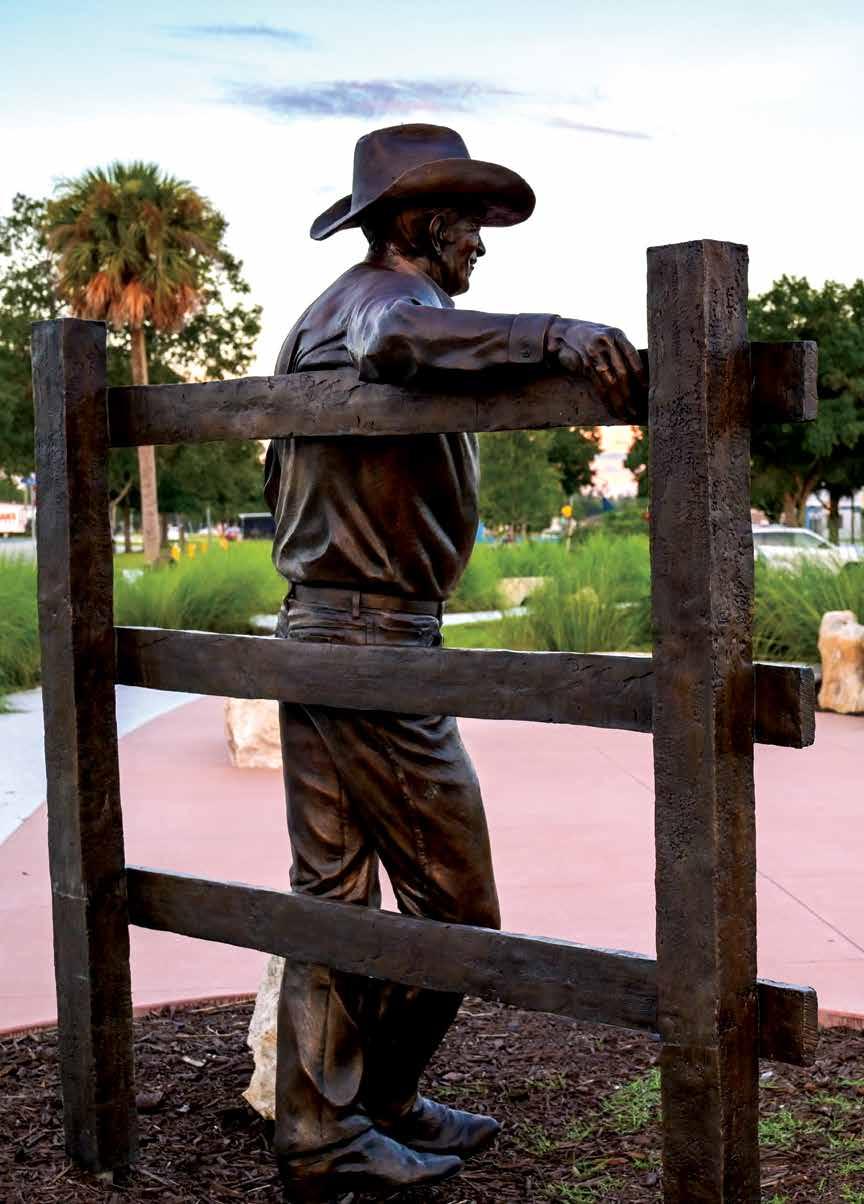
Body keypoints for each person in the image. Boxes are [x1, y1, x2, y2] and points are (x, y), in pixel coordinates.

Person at [264, 123, 643, 1203]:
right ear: (423, 223)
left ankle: (341, 1123)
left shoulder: (321, 310)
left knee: (330, 892)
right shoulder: (383, 302)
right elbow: (398, 343)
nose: (481, 241)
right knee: (458, 907)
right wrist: (557, 334)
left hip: (321, 629)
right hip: (374, 643)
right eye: (469, 222)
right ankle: (355, 1114)